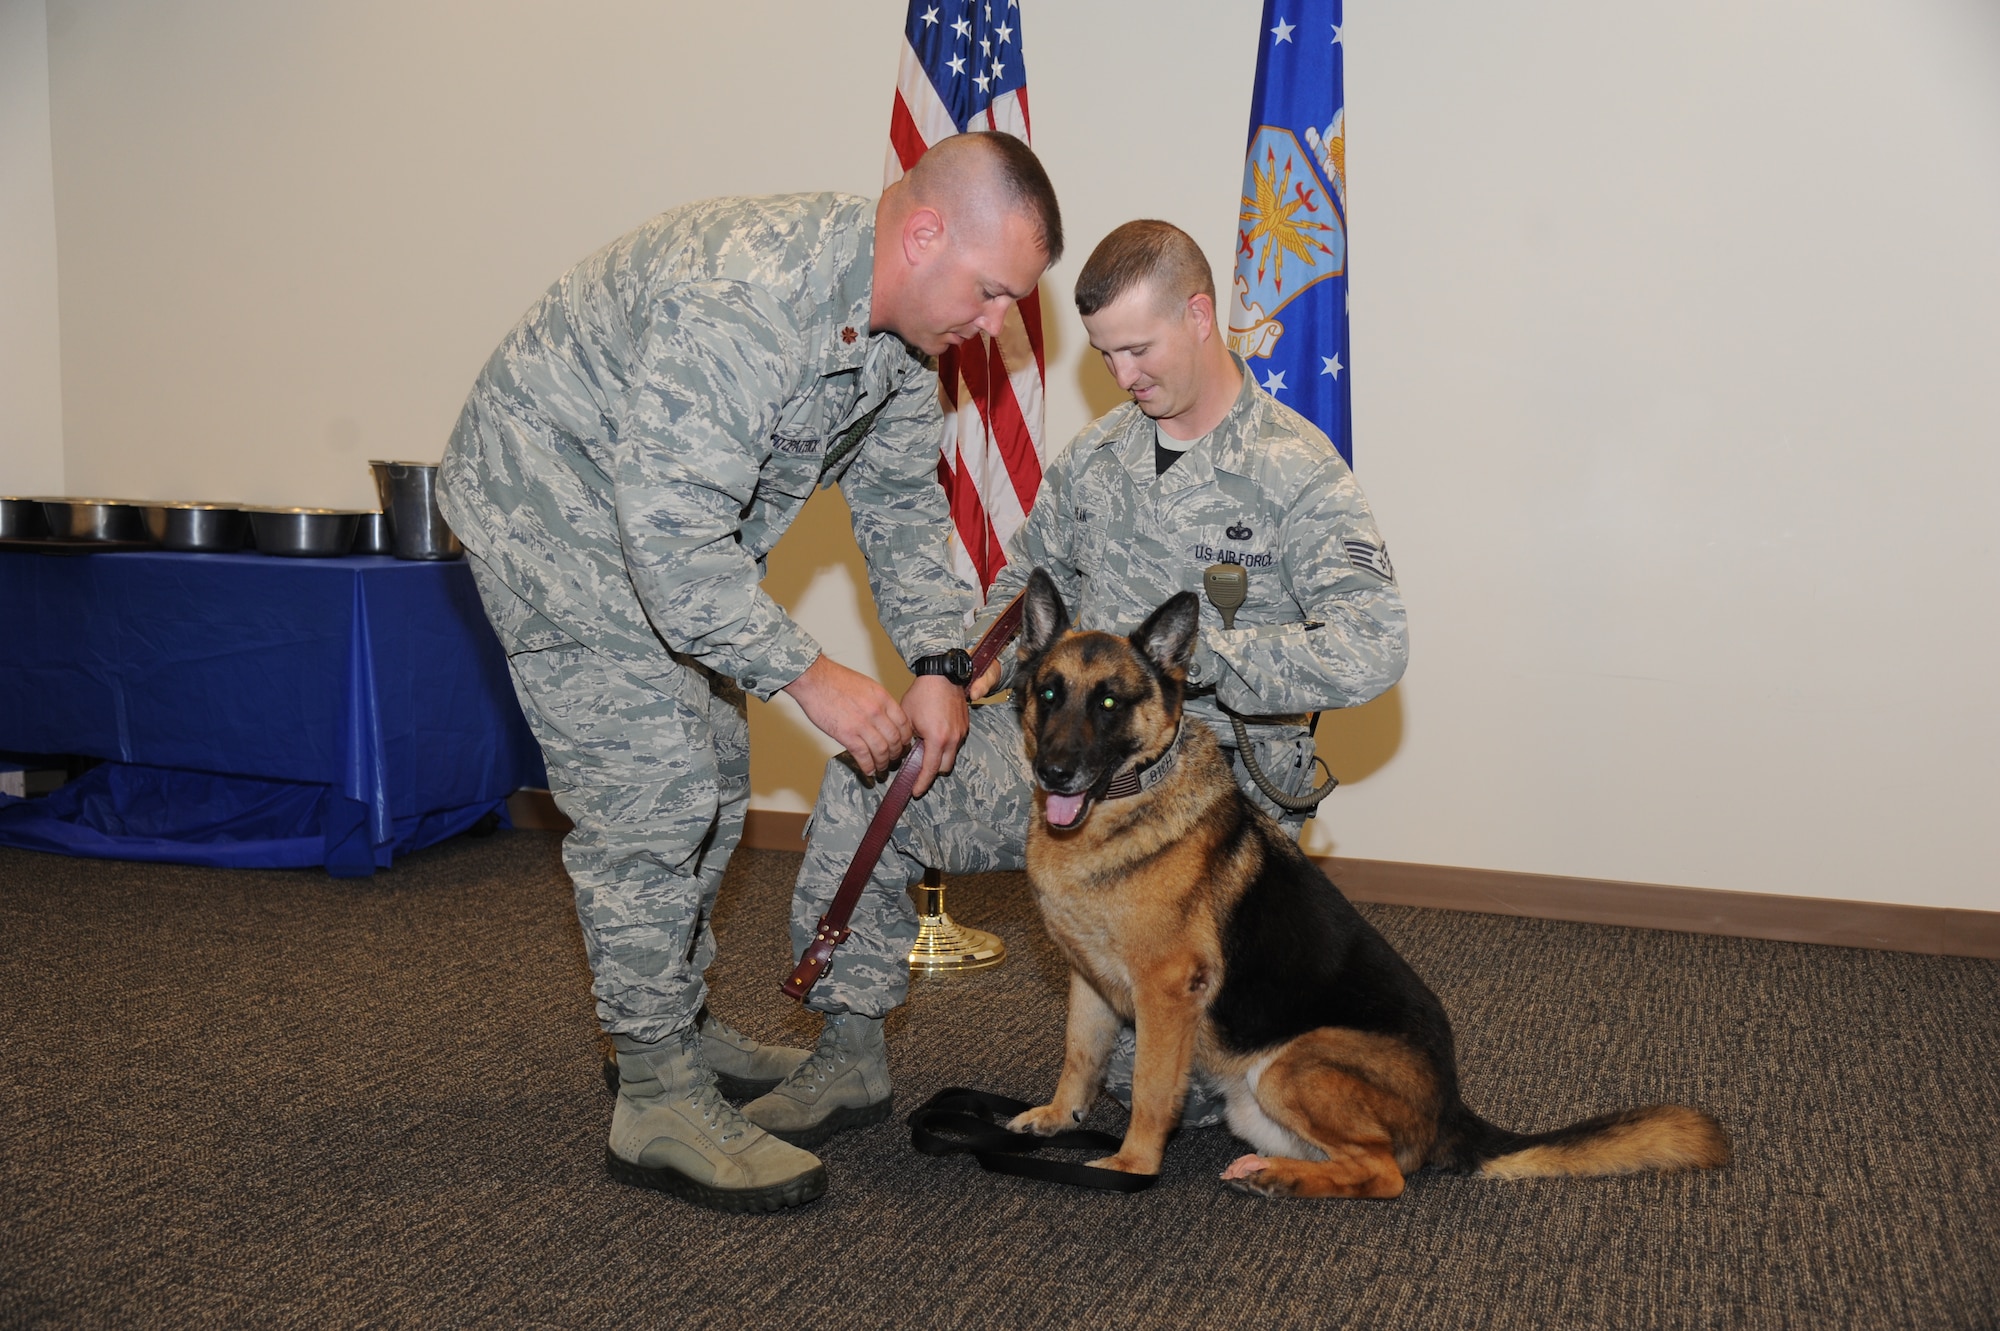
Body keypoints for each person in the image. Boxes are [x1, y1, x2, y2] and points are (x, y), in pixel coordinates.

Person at [436, 132, 1063, 1213]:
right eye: (993, 290)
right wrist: (810, 675)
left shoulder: (906, 341)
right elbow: (669, 538)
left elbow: (904, 510)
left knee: (718, 770)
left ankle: (673, 1022)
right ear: (922, 233)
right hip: (550, 510)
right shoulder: (747, 295)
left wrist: (935, 663)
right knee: (655, 786)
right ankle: (654, 1094)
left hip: (650, 533)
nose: (998, 322)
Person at [749, 219, 1407, 1144]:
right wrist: (960, 671)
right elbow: (1023, 584)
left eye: (1138, 347)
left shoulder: (1298, 474)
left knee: (1181, 1078)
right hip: (1069, 753)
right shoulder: (1098, 457)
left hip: (1209, 801)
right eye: (1104, 354)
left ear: (1201, 316)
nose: (1123, 373)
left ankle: (1187, 1072)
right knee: (878, 776)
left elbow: (1375, 644)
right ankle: (848, 1053)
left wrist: (1214, 660)